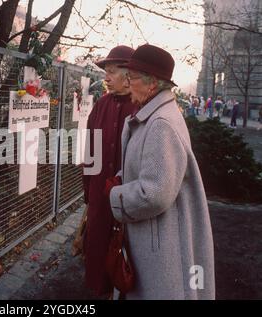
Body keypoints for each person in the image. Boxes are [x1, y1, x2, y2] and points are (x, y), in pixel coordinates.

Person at [109, 44, 215, 299]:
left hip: (161, 248)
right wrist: (123, 180)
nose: (128, 82)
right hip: (158, 238)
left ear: (152, 84)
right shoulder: (156, 116)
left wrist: (115, 194)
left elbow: (154, 193)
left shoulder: (161, 124)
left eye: (132, 78)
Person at [80, 45, 138, 298]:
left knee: (130, 264)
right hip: (100, 201)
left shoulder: (141, 109)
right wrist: (88, 196)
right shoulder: (101, 106)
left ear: (129, 75)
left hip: (131, 202)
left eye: (112, 72)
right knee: (99, 257)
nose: (106, 77)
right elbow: (90, 154)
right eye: (106, 71)